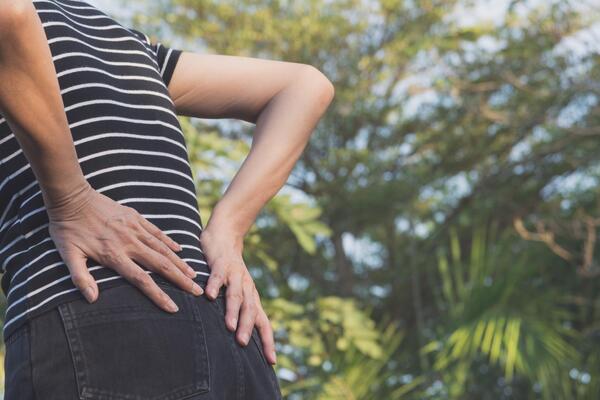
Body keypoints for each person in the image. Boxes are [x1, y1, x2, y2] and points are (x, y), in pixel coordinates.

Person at [0, 0, 334, 398]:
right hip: (227, 331)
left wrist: (72, 199)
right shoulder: (123, 43)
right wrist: (227, 229)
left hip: (93, 314)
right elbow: (303, 86)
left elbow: (8, 14)